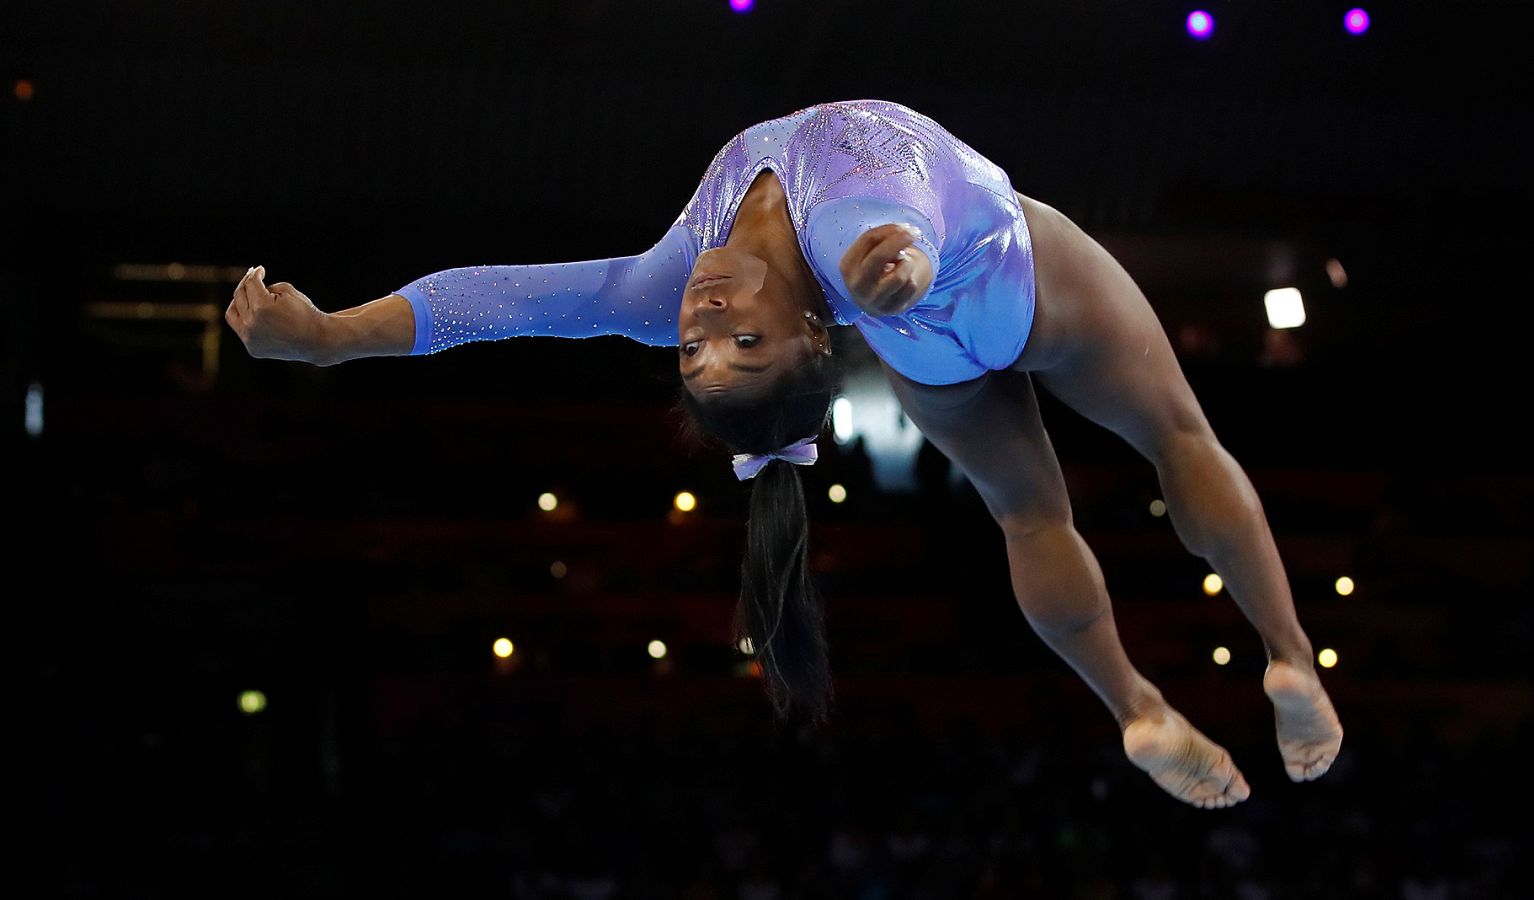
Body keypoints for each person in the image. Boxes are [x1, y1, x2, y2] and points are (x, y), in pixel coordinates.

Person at [225, 99, 1343, 809]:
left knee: (1028, 513)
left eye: (697, 348)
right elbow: (881, 209)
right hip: (1011, 281)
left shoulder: (674, 280)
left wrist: (330, 339)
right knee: (1174, 435)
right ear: (811, 342)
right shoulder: (846, 223)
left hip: (912, 331)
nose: (702, 318)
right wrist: (889, 264)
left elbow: (508, 301)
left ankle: (1146, 703)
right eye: (741, 342)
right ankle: (1274, 658)